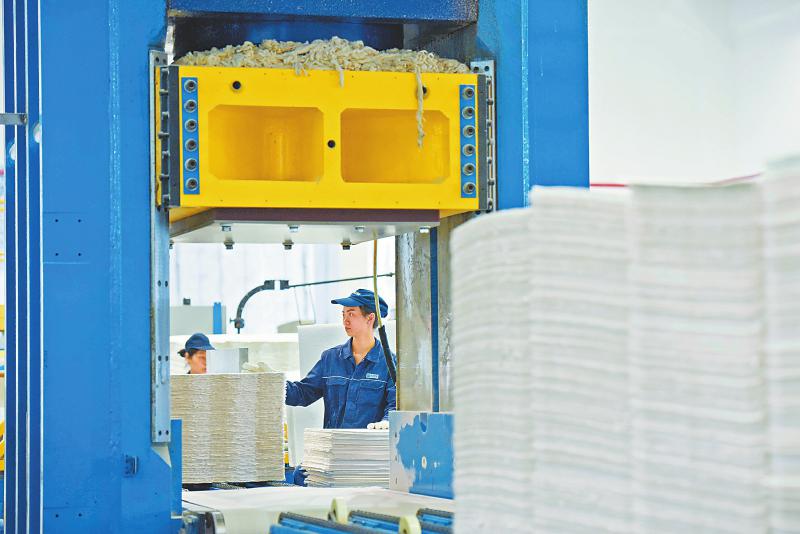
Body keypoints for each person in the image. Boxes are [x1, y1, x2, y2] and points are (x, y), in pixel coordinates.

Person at [286, 289, 396, 484]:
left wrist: (388, 421)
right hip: (333, 454)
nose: (345, 320)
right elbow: (303, 393)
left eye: (351, 314)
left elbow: (395, 405)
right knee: (301, 476)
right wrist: (273, 384)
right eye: (343, 314)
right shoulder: (331, 358)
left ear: (370, 318)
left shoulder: (389, 364)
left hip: (368, 457)